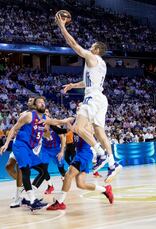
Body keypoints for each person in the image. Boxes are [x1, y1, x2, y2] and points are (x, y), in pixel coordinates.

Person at [53, 13, 122, 183]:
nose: (89, 47)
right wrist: (72, 86)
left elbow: (74, 44)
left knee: (77, 127)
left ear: (97, 50)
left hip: (93, 98)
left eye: (92, 46)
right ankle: (113, 164)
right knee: (99, 131)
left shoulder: (92, 57)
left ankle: (100, 153)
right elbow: (87, 82)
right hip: (101, 98)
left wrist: (62, 26)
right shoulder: (101, 64)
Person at [0, 96, 71, 211]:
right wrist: (6, 144)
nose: (42, 104)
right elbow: (13, 128)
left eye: (44, 102)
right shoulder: (28, 115)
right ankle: (32, 200)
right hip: (20, 145)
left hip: (30, 149)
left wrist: (69, 122)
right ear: (35, 105)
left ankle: (26, 191)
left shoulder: (45, 118)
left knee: (43, 170)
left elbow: (58, 124)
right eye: (40, 103)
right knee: (25, 170)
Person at [47, 121, 114, 211]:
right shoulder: (76, 121)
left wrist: (49, 121)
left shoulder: (87, 124)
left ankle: (60, 202)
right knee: (80, 184)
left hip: (84, 154)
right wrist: (49, 121)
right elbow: (61, 126)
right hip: (80, 154)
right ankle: (105, 189)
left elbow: (87, 130)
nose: (79, 107)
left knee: (68, 175)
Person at [5, 97, 34, 208]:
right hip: (18, 142)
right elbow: (16, 127)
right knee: (8, 166)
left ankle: (18, 198)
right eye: (28, 100)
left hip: (26, 145)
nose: (29, 102)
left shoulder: (36, 115)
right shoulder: (25, 113)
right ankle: (22, 186)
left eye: (31, 100)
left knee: (20, 169)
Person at [39, 109, 67, 195]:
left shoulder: (55, 124)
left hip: (56, 149)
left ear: (49, 114)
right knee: (43, 168)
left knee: (61, 168)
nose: (45, 114)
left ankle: (64, 178)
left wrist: (62, 151)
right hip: (45, 149)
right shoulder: (39, 125)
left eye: (46, 112)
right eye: (43, 113)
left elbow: (63, 138)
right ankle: (50, 186)